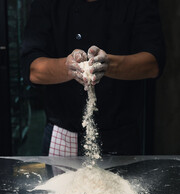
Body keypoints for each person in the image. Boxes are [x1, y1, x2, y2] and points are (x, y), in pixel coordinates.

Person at [21, 0, 165, 157]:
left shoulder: (135, 4)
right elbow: (32, 70)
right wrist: (67, 68)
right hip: (63, 136)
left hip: (120, 137)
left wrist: (108, 65)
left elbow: (153, 64)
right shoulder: (48, 4)